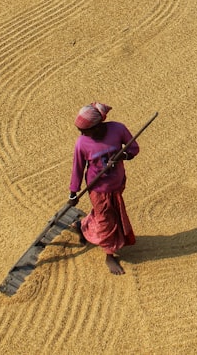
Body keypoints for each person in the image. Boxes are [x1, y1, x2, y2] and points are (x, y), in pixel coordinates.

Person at [68, 102, 139, 275]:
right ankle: (109, 254)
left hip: (118, 183)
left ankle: (82, 226)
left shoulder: (118, 129)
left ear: (98, 125)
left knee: (109, 214)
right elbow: (77, 168)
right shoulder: (82, 143)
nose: (83, 134)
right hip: (98, 188)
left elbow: (134, 148)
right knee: (106, 220)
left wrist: (124, 154)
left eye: (86, 130)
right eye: (81, 131)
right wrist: (73, 192)